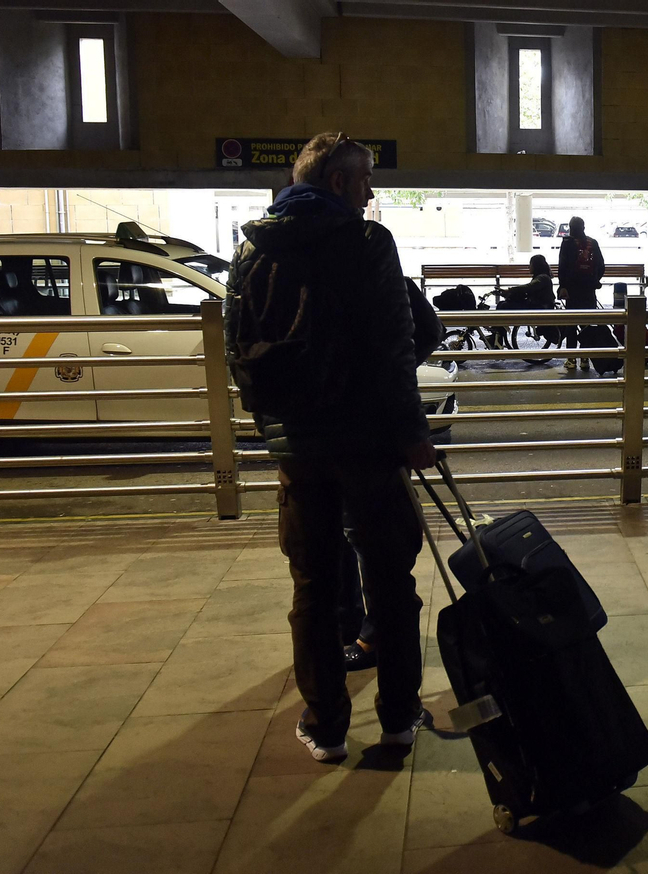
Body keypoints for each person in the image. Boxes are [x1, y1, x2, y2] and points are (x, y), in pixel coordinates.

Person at [227, 131, 435, 763]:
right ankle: (398, 719)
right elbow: (396, 347)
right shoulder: (367, 243)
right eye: (366, 182)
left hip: (297, 448)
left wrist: (278, 428)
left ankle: (326, 727)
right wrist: (412, 432)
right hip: (368, 442)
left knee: (314, 583)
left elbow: (240, 352)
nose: (371, 194)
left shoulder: (252, 247)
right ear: (342, 183)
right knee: (390, 579)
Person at [339, 275, 443, 673]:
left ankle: (369, 631)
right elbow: (429, 328)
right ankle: (369, 630)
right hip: (375, 432)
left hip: (336, 437)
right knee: (373, 539)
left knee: (359, 538)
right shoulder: (374, 264)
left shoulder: (286, 265)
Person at [557, 217, 605, 371]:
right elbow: (601, 265)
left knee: (571, 323)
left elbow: (562, 266)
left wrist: (563, 286)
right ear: (583, 227)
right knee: (587, 324)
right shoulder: (593, 243)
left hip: (572, 290)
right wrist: (594, 280)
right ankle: (585, 358)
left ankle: (572, 359)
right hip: (589, 290)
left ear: (571, 227)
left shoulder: (568, 243)